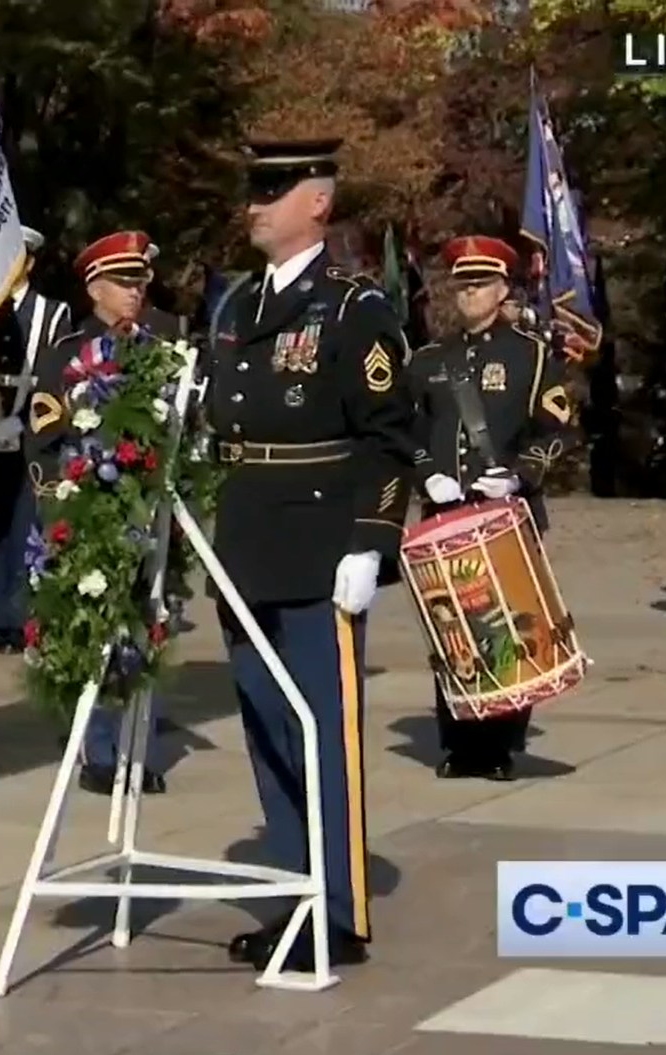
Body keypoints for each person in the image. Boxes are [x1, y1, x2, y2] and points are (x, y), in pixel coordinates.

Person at [204, 140, 413, 973]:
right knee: (264, 725)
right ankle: (294, 895)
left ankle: (338, 910)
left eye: (272, 190)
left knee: (323, 730)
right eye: (253, 189)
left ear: (317, 203)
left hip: (322, 542)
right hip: (247, 541)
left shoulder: (355, 307)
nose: (255, 204)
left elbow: (392, 439)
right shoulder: (235, 306)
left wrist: (372, 541)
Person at [405, 235, 574, 780]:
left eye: (481, 284)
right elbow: (405, 428)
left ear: (504, 289)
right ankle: (458, 741)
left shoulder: (532, 353)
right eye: (463, 284)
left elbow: (559, 429)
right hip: (445, 513)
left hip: (501, 513)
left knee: (506, 628)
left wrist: (521, 475)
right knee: (451, 627)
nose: (470, 294)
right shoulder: (430, 360)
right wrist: (426, 473)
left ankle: (500, 745)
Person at [30, 229, 177, 796]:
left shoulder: (161, 348)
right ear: (94, 288)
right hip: (88, 513)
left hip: (151, 513)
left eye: (141, 280)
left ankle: (135, 749)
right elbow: (43, 440)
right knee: (92, 633)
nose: (136, 291)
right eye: (124, 281)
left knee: (147, 628)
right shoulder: (68, 355)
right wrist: (59, 509)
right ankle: (95, 749)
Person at [0, 226, 71, 655]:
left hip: (31, 431)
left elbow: (57, 375)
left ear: (29, 262)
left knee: (27, 527)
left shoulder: (52, 312)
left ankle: (24, 618)